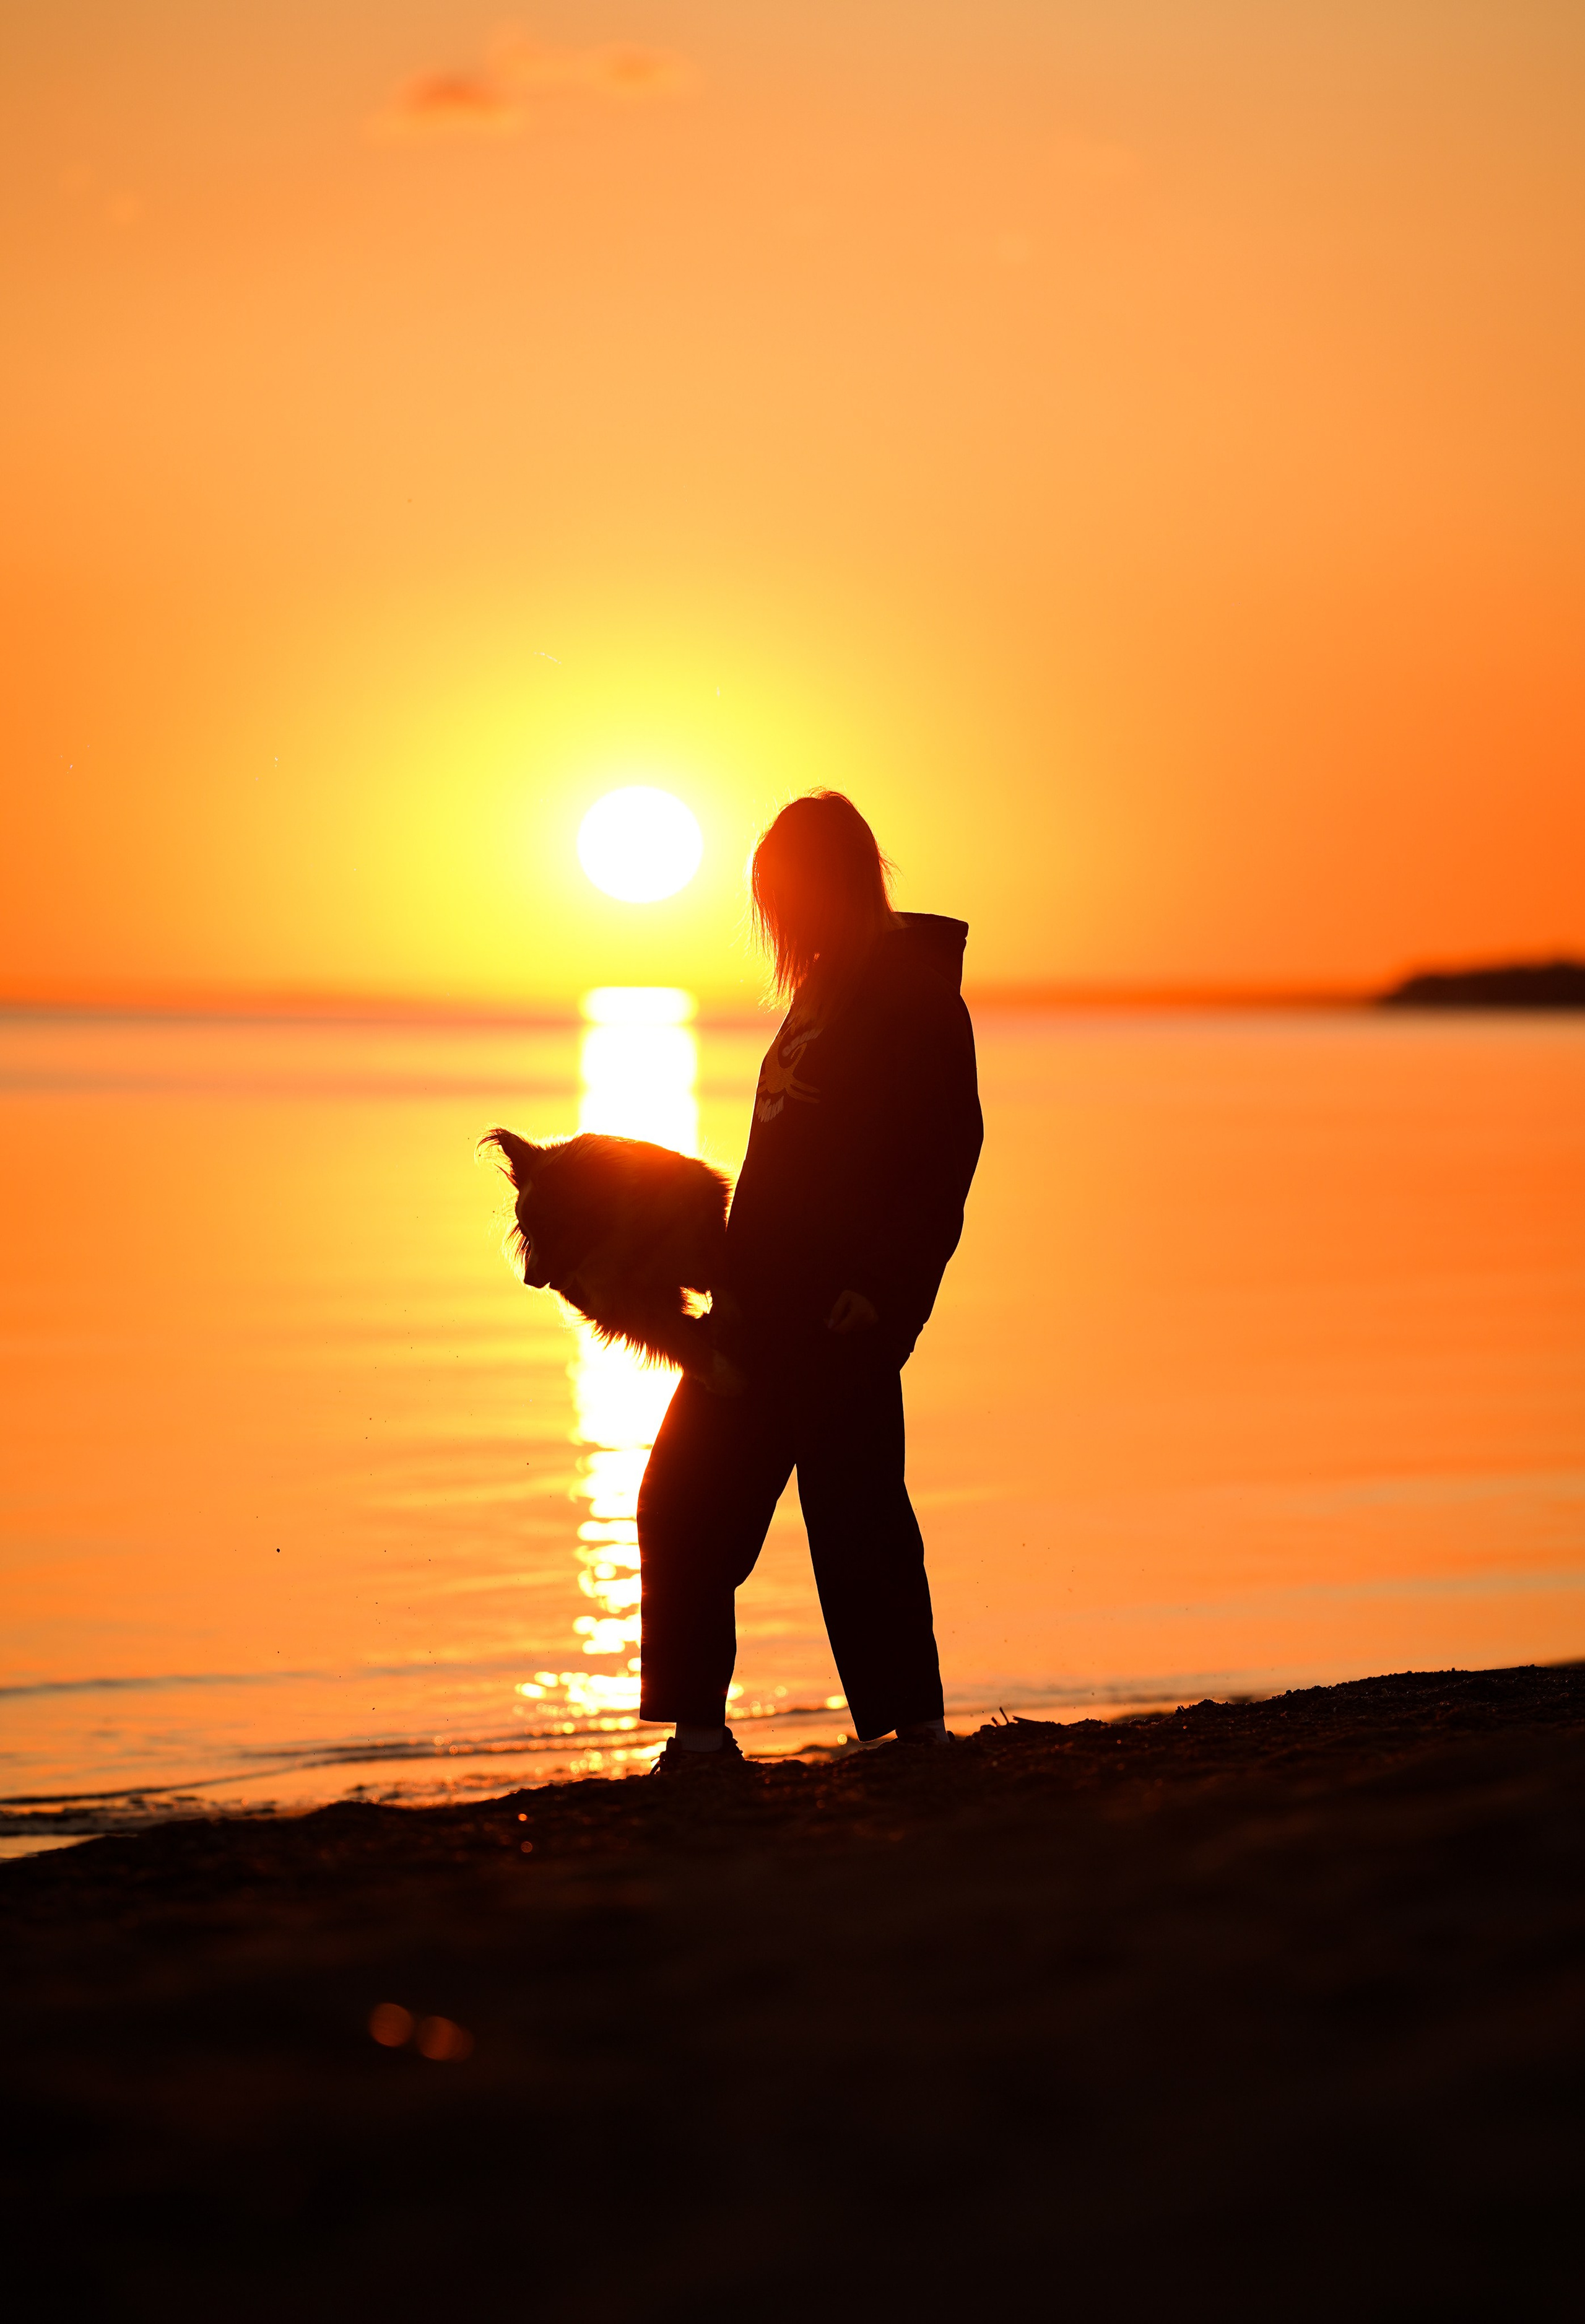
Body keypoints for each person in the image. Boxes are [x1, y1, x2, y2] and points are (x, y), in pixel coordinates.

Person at [638, 791, 983, 1773]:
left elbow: (943, 1158)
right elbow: (778, 1163)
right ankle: (702, 1736)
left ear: (834, 885)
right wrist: (719, 1277)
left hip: (842, 1314)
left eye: (785, 901)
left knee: (858, 1515)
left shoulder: (912, 996)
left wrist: (886, 1292)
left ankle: (912, 1733)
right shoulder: (821, 990)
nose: (776, 926)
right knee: (684, 1499)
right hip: (758, 1307)